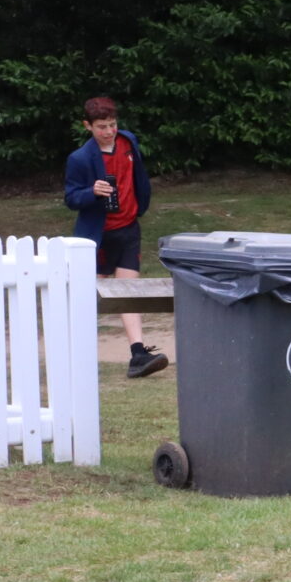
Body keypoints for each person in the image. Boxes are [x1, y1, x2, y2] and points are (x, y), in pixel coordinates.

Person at [62, 97, 167, 378]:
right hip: (99, 235)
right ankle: (71, 352)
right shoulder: (79, 158)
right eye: (102, 127)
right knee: (87, 295)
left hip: (129, 228)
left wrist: (140, 206)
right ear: (87, 126)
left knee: (128, 292)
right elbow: (71, 198)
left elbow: (136, 177)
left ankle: (138, 355)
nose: (109, 131)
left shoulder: (128, 141)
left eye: (112, 124)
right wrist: (92, 192)